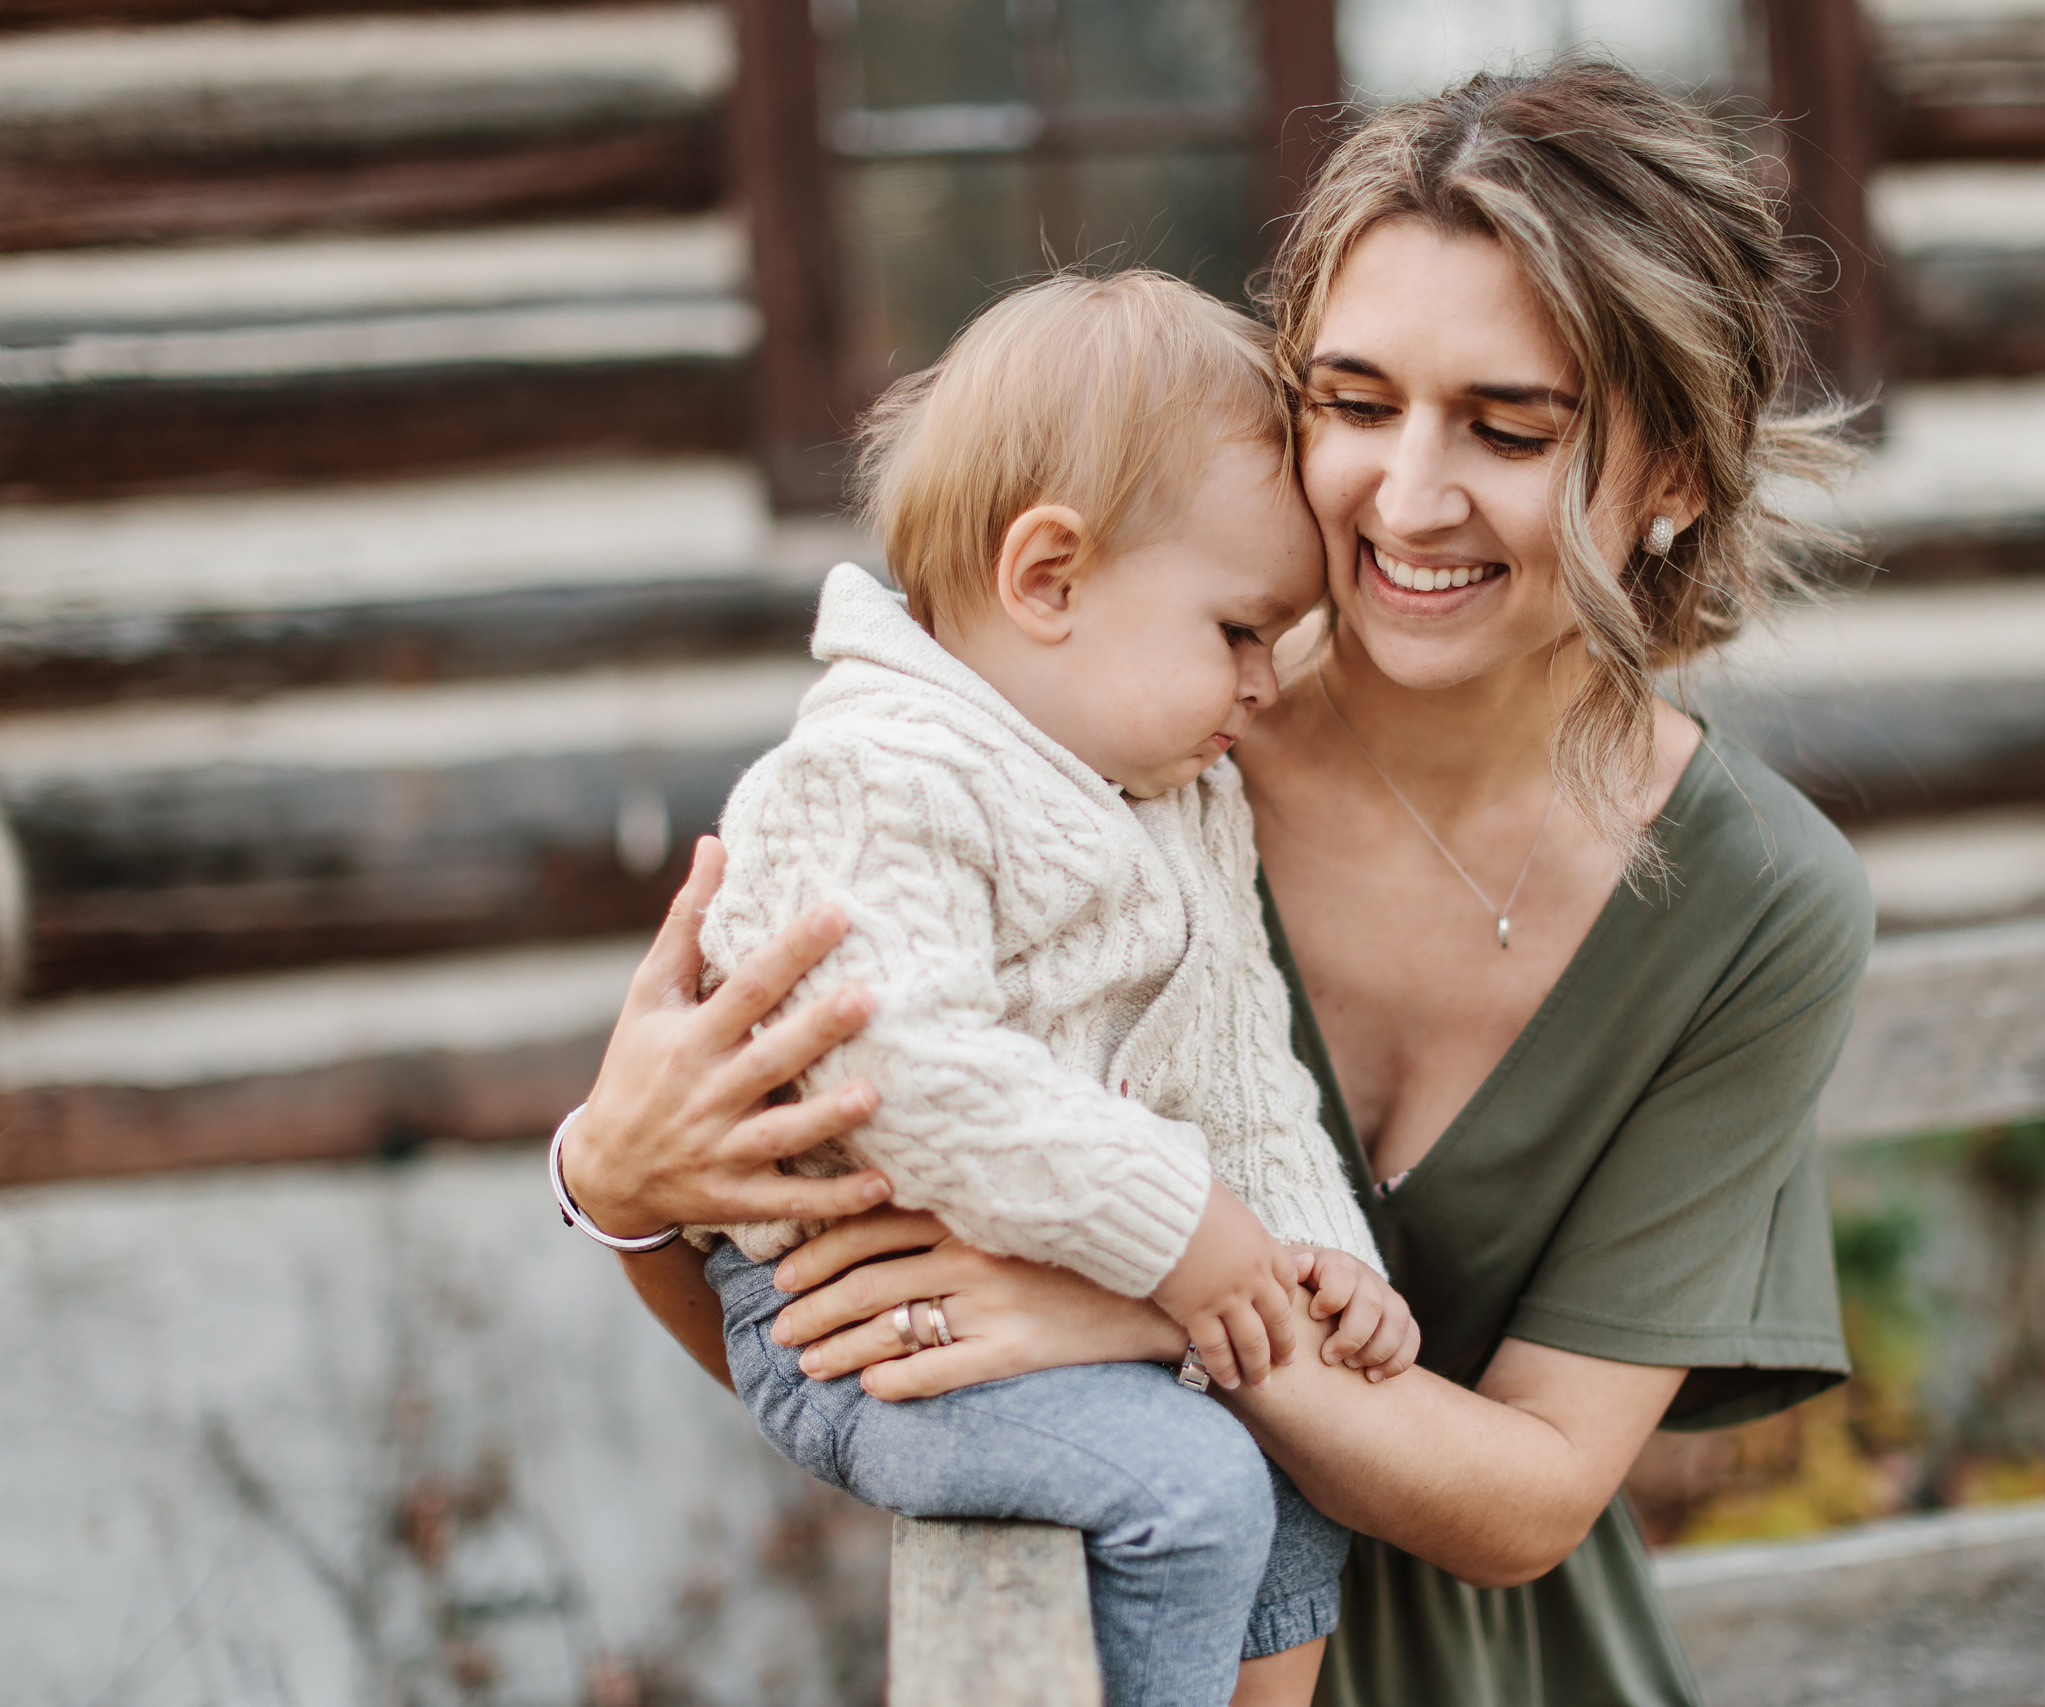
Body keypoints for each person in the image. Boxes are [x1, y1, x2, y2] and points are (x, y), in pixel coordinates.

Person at [561, 59, 1872, 1706]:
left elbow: (1534, 1495)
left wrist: (1158, 1314)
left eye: (1509, 426)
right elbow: (827, 1316)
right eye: (1353, 399)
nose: (1406, 495)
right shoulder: (1111, 732)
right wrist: (609, 1182)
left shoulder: (1761, 910)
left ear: (1677, 473)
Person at [558, 271, 1420, 1707]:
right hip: (853, 1318)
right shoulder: (874, 776)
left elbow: (1244, 1074)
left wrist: (1321, 1265)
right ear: (1049, 579)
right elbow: (908, 1074)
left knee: (1300, 1467)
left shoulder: (1176, 799)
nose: (1267, 684)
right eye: (1239, 631)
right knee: (1193, 1487)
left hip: (1070, 1286)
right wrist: (1187, 1229)